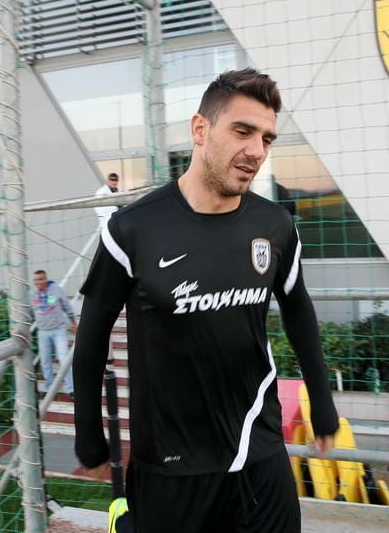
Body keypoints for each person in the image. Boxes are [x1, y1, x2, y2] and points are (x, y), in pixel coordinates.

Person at [73, 68, 339, 532]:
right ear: (200, 129)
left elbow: (298, 310)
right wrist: (90, 440)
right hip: (171, 468)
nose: (256, 151)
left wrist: (322, 402)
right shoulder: (131, 229)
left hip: (260, 452)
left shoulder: (275, 225)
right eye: (242, 131)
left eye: (266, 138)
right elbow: (91, 341)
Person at [30, 270, 77, 398]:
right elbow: (29, 312)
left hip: (58, 330)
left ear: (46, 279)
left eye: (41, 279)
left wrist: (74, 324)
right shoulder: (32, 294)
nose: (38, 282)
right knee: (45, 360)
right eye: (36, 280)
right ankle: (49, 388)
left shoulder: (56, 290)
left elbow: (67, 307)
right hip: (42, 332)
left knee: (63, 358)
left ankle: (72, 388)